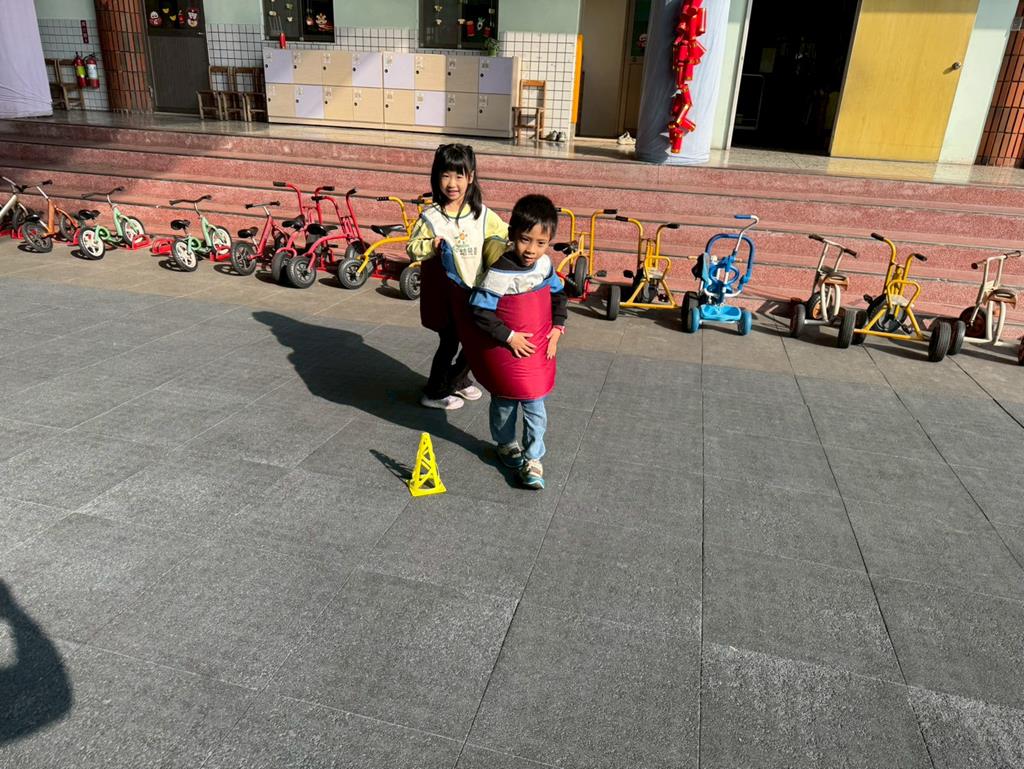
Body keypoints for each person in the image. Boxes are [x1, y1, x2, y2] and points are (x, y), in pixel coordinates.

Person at [468, 194, 566, 490]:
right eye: (525, 240)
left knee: (535, 405)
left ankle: (533, 458)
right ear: (512, 235)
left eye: (541, 243)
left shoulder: (544, 265)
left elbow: (558, 295)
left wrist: (558, 327)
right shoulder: (501, 271)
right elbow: (480, 310)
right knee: (504, 401)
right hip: (507, 351)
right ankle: (505, 443)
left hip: (535, 351)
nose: (531, 250)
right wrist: (509, 336)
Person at [406, 143, 507, 410]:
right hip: (448, 297)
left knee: (478, 340)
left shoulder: (481, 214)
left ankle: (457, 380)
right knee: (450, 342)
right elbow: (412, 247)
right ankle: (435, 392)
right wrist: (432, 245)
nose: (452, 183)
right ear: (436, 177)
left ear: (470, 177)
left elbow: (505, 234)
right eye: (446, 175)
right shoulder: (431, 218)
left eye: (459, 175)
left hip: (476, 294)